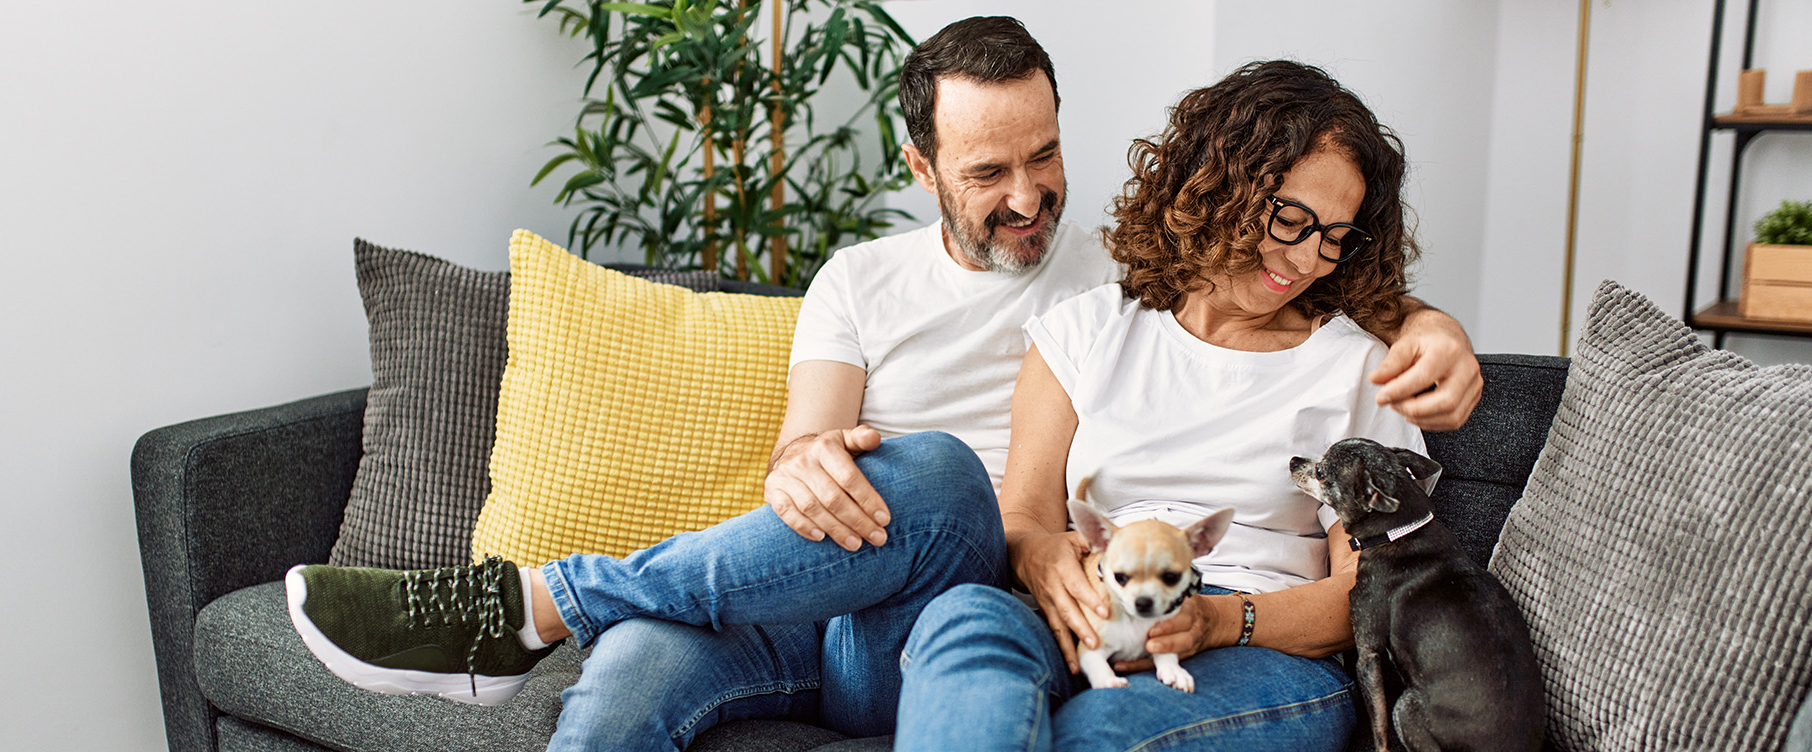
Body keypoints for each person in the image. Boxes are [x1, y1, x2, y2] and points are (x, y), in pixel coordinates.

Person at [284, 19, 1481, 751]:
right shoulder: (881, 285)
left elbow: (1360, 560)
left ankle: (540, 600)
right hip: (889, 577)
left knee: (953, 497)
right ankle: (559, 615)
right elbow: (839, 460)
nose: (1029, 195)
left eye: (1048, 153)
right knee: (652, 658)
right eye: (991, 169)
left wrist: (1424, 316)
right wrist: (812, 466)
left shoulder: (1128, 274)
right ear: (923, 165)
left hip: (1082, 601)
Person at [893, 59, 1438, 751]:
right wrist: (1043, 564)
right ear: (1216, 187)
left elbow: (1373, 591)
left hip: (1267, 657)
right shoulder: (1087, 330)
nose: (1306, 261)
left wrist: (1215, 620)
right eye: (1292, 219)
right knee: (965, 619)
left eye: (1335, 237)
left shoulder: (1361, 370)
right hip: (1095, 616)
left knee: (1101, 730)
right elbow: (1025, 516)